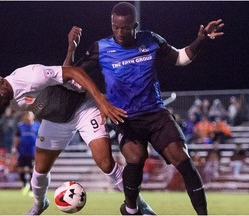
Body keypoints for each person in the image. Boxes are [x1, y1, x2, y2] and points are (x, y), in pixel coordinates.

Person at [66, 2, 224, 215]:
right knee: (136, 157)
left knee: (184, 161)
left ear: (136, 25)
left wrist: (201, 40)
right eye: (115, 27)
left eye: (126, 27)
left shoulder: (150, 39)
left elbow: (179, 58)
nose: (120, 32)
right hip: (125, 118)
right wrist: (71, 48)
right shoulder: (101, 48)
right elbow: (70, 77)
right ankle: (131, 210)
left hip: (156, 114)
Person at [0, 64, 152, 215]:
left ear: (1, 82)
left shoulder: (31, 76)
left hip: (83, 108)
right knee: (39, 170)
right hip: (56, 121)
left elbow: (74, 72)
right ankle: (39, 204)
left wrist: (101, 102)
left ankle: (139, 204)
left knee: (105, 163)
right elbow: (47, 96)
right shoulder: (10, 99)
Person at [11, 111, 40, 196]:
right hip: (22, 150)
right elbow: (17, 137)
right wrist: (14, 147)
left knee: (32, 169)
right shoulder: (20, 126)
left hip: (33, 151)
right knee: (20, 168)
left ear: (33, 116)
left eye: (29, 115)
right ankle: (24, 185)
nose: (28, 116)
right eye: (26, 115)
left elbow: (41, 137)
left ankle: (31, 187)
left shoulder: (37, 125)